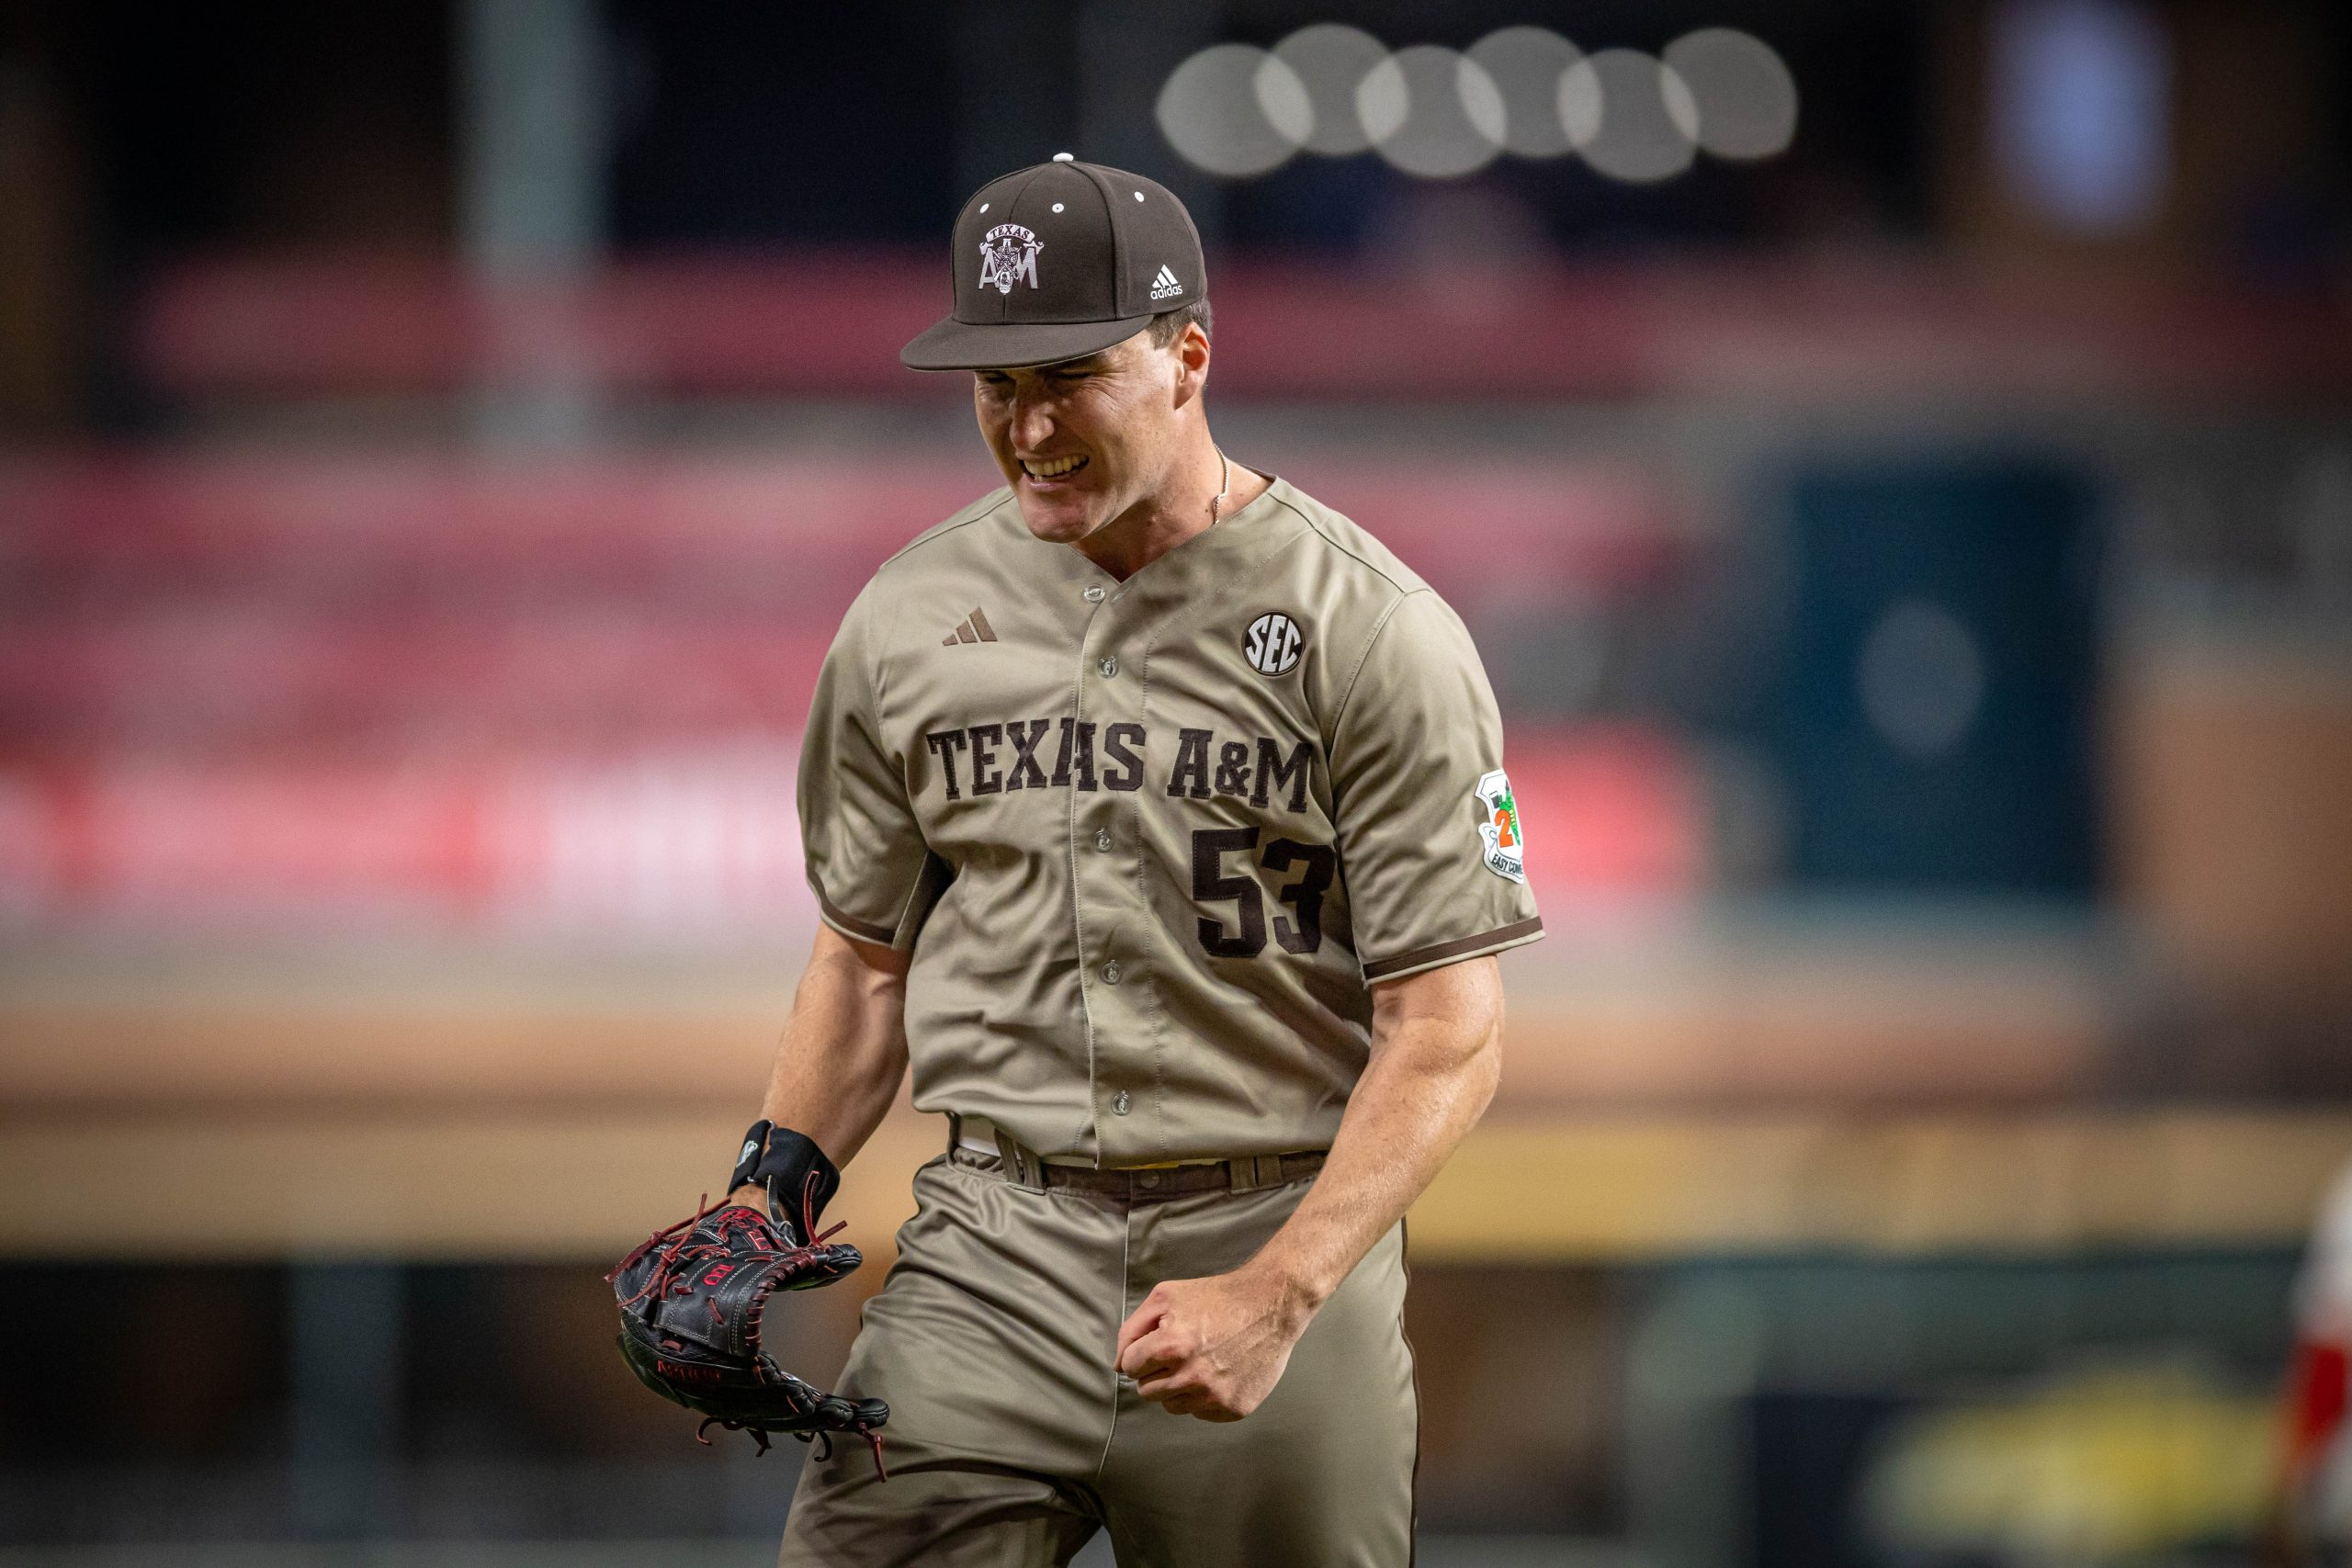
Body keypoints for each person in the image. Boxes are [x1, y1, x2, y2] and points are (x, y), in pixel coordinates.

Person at [740, 153, 1542, 1565]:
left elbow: (1449, 1033)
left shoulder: (1374, 630)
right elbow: (864, 967)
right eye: (996, 386)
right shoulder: (909, 616)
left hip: (1278, 1226)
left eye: (1070, 377)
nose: (1029, 425)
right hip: (992, 1243)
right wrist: (766, 1196)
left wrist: (1283, 1293)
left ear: (1187, 358)